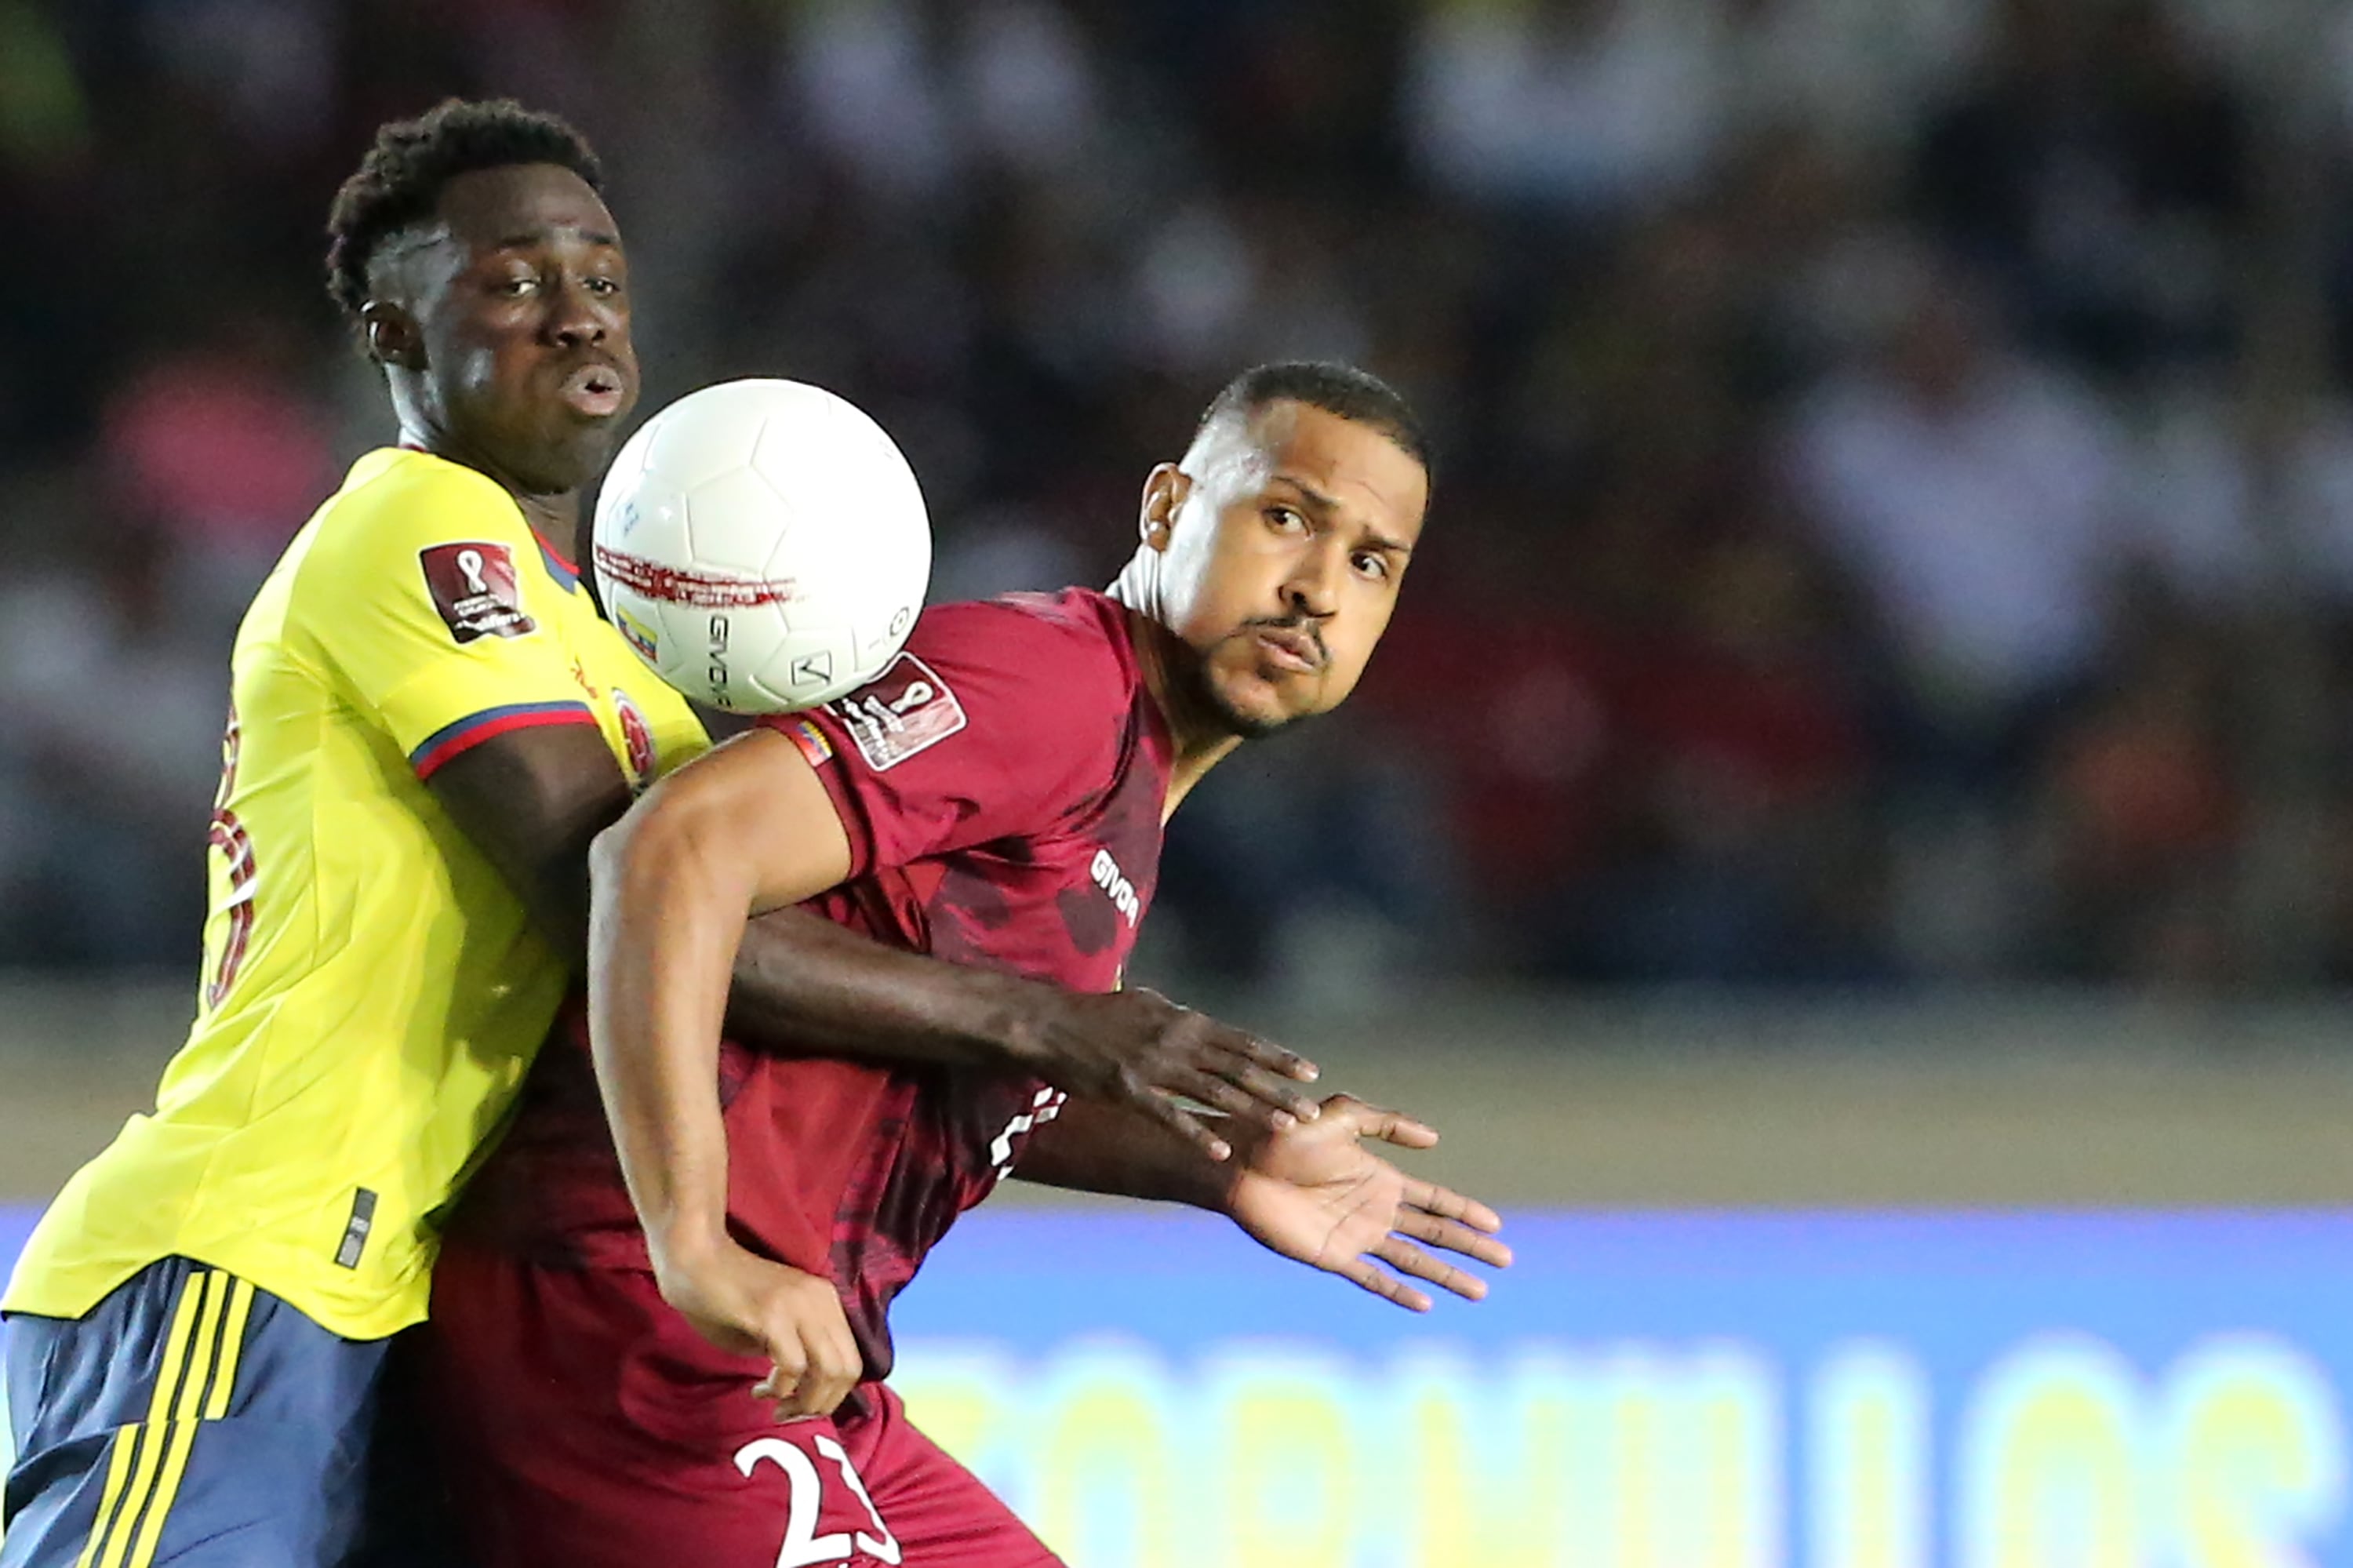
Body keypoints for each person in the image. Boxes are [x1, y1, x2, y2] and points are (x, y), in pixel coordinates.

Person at [0, 100, 1315, 1568]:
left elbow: (771, 1008)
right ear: (390, 332)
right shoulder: (413, 533)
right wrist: (1051, 1018)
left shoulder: (622, 656)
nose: (573, 317)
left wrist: (1196, 1152)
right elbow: (617, 896)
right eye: (512, 282)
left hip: (419, 1306)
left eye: (602, 279)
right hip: (249, 1253)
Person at [421, 362, 1513, 1566]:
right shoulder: (1054, 681)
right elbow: (663, 853)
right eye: (1287, 517)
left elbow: (927, 1051)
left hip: (790, 1361)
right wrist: (695, 1244)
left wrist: (1216, 1163)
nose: (1315, 590)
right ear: (1165, 512)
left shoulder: (1125, 786)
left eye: (1371, 563)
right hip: (638, 1318)